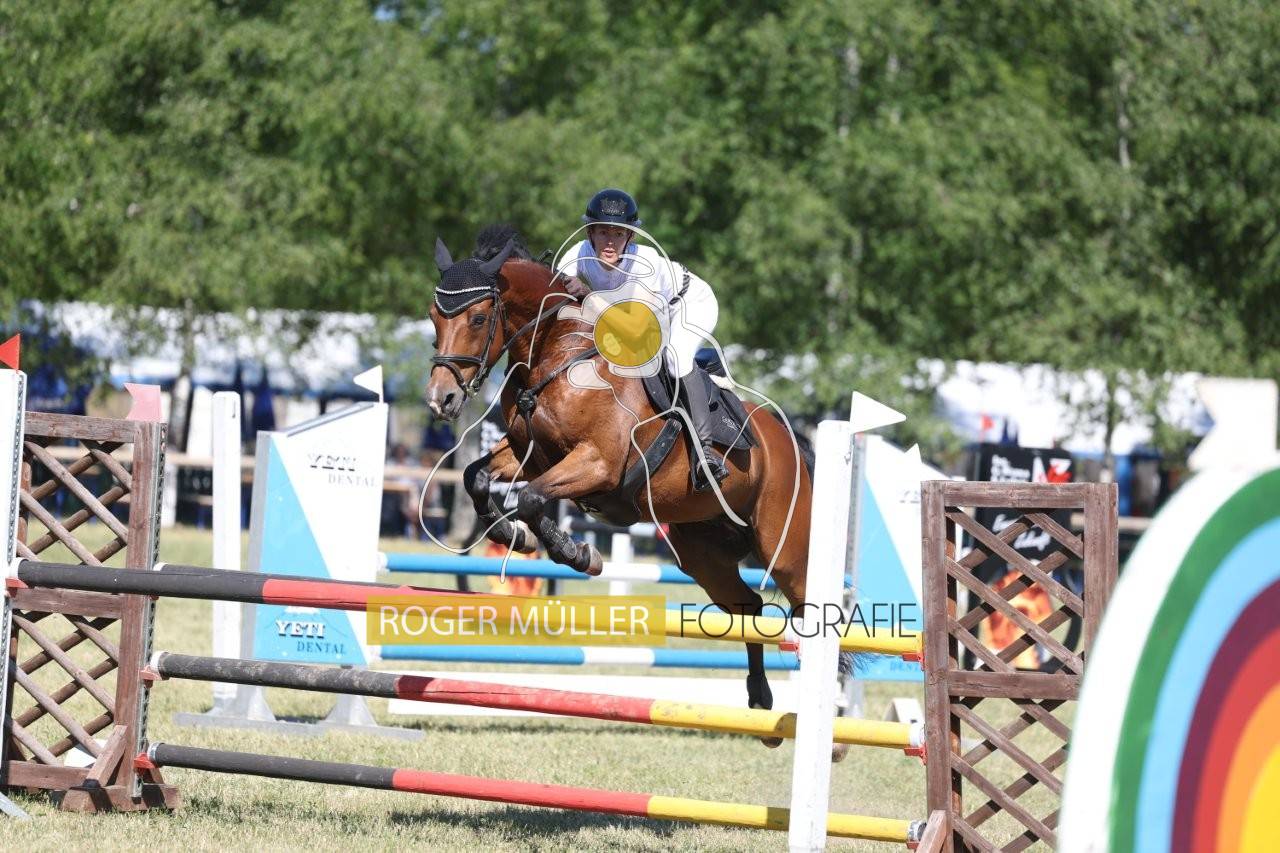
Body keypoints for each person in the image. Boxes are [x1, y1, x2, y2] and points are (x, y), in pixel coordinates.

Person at [558, 188, 727, 490]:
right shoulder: (577, 254)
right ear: (590, 233)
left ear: (630, 236)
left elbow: (636, 329)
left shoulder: (644, 261)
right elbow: (552, 296)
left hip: (686, 305)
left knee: (675, 357)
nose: (611, 241)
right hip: (632, 316)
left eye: (619, 234)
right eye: (603, 232)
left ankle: (705, 452)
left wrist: (589, 296)